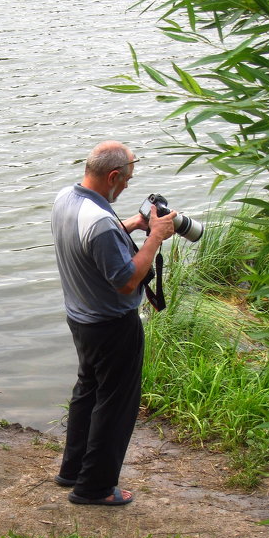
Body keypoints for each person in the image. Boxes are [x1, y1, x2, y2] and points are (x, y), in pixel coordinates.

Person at [51, 140, 177, 506]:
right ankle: (95, 488)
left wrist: (136, 223)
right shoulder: (101, 221)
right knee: (115, 405)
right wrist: (154, 236)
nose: (126, 187)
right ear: (112, 176)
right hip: (112, 325)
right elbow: (125, 280)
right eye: (126, 181)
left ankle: (73, 470)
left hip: (81, 320)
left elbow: (93, 240)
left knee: (88, 393)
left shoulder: (67, 199)